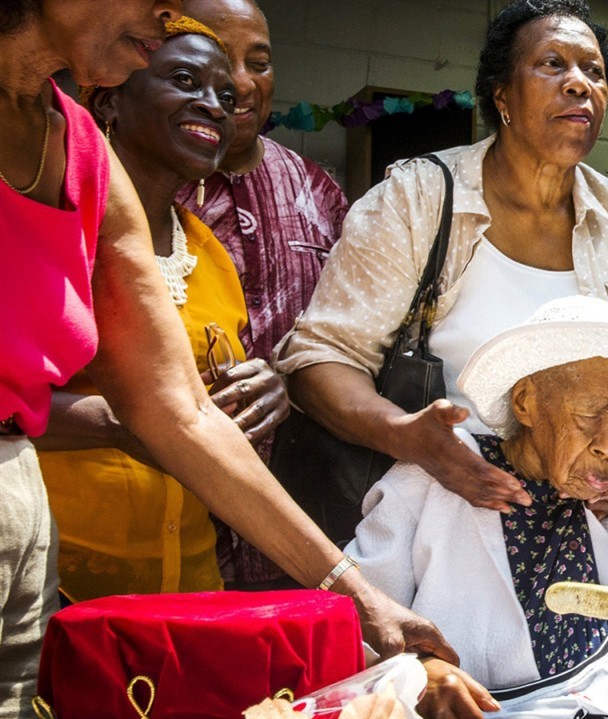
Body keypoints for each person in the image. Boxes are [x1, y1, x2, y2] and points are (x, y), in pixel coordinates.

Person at [0, 3, 471, 713]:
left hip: (23, 521)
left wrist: (359, 596)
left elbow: (180, 410)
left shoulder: (81, 153)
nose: (163, 27)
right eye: (156, 6)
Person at [276, 0, 608, 526]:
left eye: (594, 72)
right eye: (553, 64)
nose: (580, 83)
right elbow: (319, 360)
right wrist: (411, 438)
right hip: (443, 512)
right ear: (502, 95)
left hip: (595, 525)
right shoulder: (419, 197)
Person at [347, 296, 608, 718]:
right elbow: (353, 619)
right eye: (590, 414)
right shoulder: (437, 478)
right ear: (525, 403)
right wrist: (416, 672)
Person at [33, 18, 290, 603]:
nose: (216, 107)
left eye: (226, 97)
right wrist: (125, 422)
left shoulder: (211, 256)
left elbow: (203, 403)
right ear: (111, 99)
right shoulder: (54, 228)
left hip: (189, 584)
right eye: (184, 80)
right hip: (53, 581)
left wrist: (269, 389)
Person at [175, 0, 349, 591]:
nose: (243, 83)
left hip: (305, 514)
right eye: (221, 59)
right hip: (172, 509)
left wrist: (293, 381)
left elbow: (357, 336)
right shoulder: (138, 187)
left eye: (261, 61)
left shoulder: (318, 189)